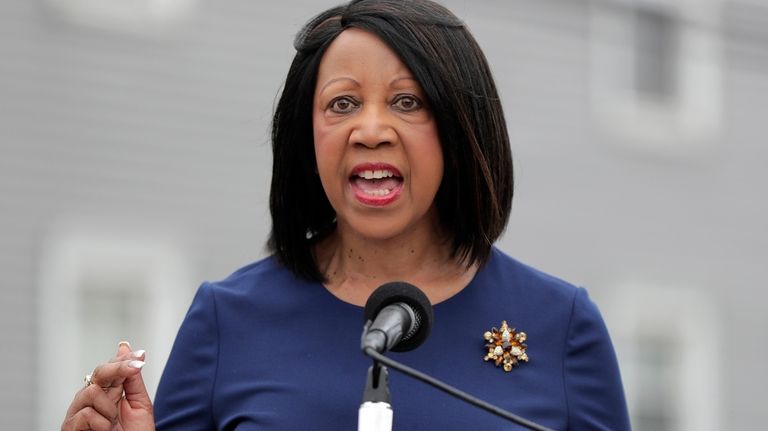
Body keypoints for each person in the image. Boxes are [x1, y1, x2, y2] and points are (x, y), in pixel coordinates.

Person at [61, 1, 631, 430]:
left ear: (460, 131)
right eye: (342, 103)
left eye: (407, 102)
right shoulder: (227, 320)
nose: (372, 130)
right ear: (307, 136)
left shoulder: (562, 326)